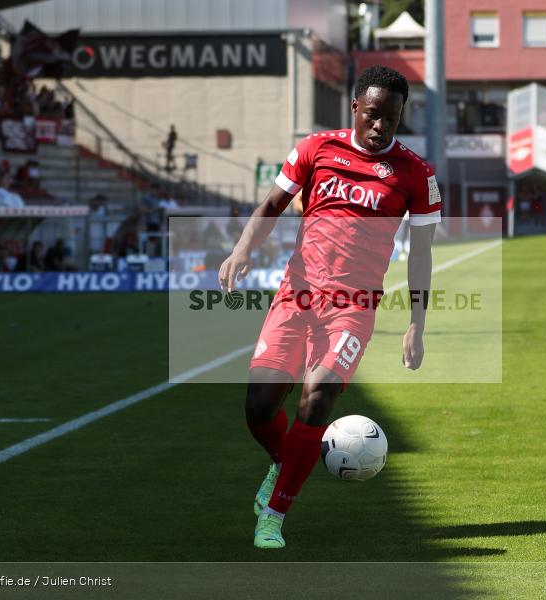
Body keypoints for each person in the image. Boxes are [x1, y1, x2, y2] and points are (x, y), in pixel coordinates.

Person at [217, 65, 441, 549]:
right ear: (356, 108)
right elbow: (274, 204)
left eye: (393, 118)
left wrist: (416, 324)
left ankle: (273, 515)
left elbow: (422, 253)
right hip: (296, 295)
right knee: (258, 408)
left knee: (317, 398)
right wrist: (242, 249)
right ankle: (285, 465)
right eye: (374, 115)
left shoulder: (416, 174)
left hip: (353, 307)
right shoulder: (316, 148)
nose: (381, 126)